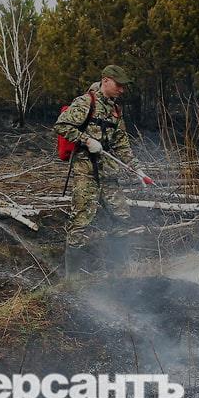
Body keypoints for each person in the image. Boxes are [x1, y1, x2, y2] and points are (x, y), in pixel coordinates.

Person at [54, 65, 144, 276]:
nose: (122, 89)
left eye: (124, 86)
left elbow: (121, 143)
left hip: (108, 173)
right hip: (86, 172)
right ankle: (72, 280)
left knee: (121, 216)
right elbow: (61, 125)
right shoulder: (86, 102)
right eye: (118, 85)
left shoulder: (115, 110)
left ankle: (119, 272)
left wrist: (137, 169)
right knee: (80, 221)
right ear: (105, 80)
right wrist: (86, 140)